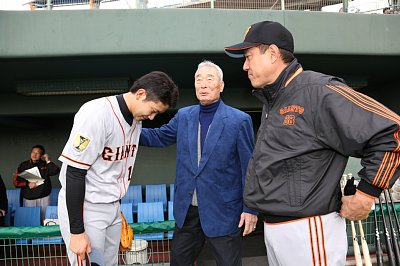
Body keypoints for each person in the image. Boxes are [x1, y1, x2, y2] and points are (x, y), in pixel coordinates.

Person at [224, 21, 400, 265]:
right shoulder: (272, 99)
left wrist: (367, 193)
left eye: (249, 57)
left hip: (309, 230)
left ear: (273, 54)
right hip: (275, 229)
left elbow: (393, 130)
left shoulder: (318, 90)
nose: (245, 66)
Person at [140, 61, 258, 266]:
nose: (203, 84)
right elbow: (158, 137)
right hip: (187, 212)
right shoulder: (184, 116)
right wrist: (124, 130)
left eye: (209, 79)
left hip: (223, 212)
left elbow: (249, 168)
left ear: (221, 86)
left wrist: (251, 209)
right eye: (198, 79)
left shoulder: (239, 120)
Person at [58, 71, 178, 266]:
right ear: (140, 94)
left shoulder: (136, 119)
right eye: (153, 109)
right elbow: (74, 172)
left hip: (112, 207)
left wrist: (113, 209)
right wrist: (77, 231)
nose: (152, 117)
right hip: (88, 208)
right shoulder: (96, 114)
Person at [14, 144, 60, 221]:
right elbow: (16, 181)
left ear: (42, 155)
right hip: (29, 197)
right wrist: (27, 184)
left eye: (37, 153)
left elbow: (55, 171)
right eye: (33, 152)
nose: (34, 155)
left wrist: (48, 160)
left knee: (44, 219)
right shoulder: (23, 165)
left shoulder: (45, 164)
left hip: (43, 196)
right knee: (30, 220)